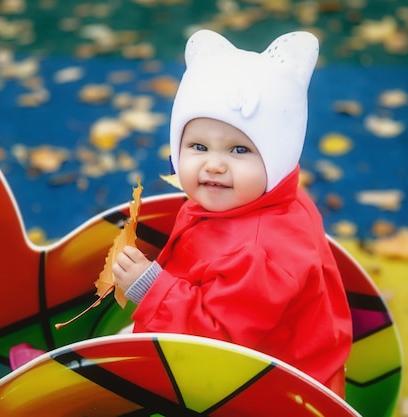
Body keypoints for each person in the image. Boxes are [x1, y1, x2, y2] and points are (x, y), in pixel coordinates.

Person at [112, 29, 352, 396]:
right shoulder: (251, 198)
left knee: (124, 380)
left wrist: (151, 288)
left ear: (277, 158)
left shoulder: (260, 251)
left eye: (239, 150)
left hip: (270, 391)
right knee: (127, 348)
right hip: (249, 352)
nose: (214, 165)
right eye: (198, 146)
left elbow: (221, 342)